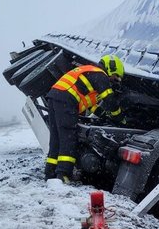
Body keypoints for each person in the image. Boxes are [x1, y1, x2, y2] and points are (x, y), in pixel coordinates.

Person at [44, 54, 125, 182]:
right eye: (115, 78)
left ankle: (50, 173)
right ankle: (63, 175)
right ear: (111, 69)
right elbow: (109, 100)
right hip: (66, 101)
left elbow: (91, 105)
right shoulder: (100, 75)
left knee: (56, 138)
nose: (114, 82)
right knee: (68, 138)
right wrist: (120, 118)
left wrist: (104, 116)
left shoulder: (90, 71)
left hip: (55, 97)